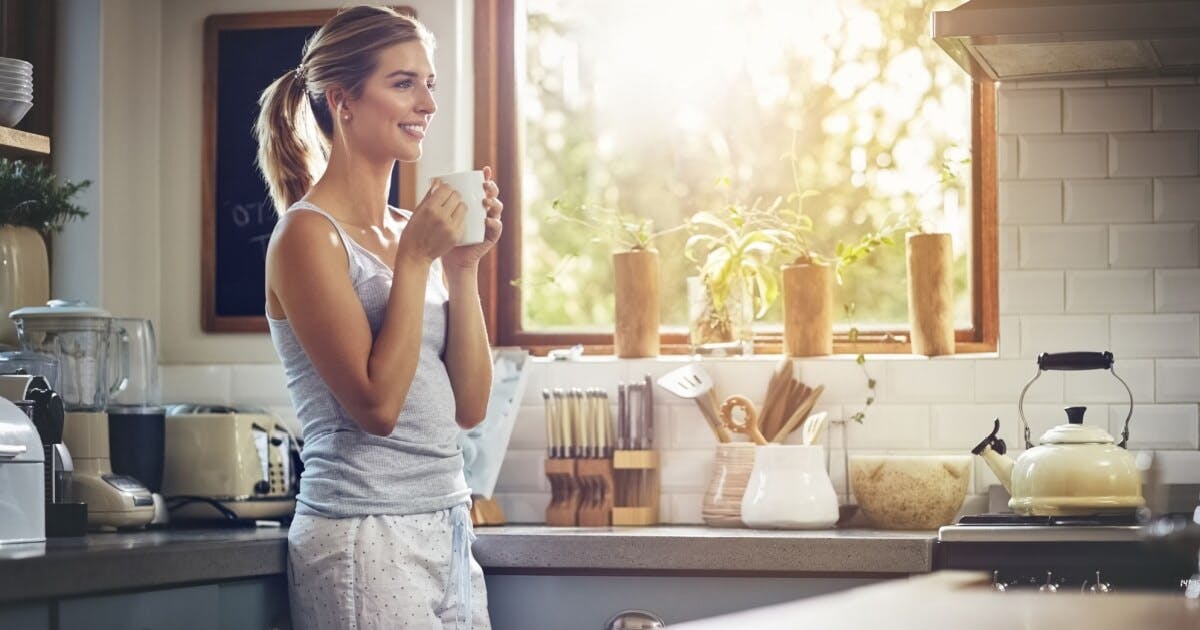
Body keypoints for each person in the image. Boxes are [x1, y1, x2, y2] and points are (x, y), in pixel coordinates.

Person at [254, 6, 500, 629]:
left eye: (430, 84)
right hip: (365, 537)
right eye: (403, 83)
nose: (427, 104)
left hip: (447, 525)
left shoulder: (406, 231)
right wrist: (418, 258)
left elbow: (468, 408)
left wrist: (463, 265)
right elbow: (376, 408)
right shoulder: (306, 237)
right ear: (343, 101)